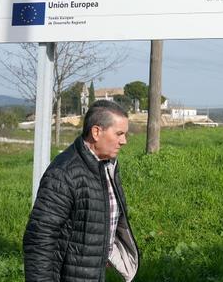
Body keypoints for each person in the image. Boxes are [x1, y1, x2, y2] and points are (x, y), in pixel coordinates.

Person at [23, 100, 139, 281]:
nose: (124, 141)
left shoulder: (106, 165)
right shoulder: (64, 173)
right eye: (119, 134)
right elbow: (40, 238)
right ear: (96, 132)